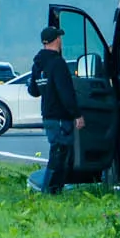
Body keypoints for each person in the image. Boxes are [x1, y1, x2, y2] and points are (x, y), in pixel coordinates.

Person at [26, 24, 84, 196]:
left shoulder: (38, 64)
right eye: (60, 38)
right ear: (57, 40)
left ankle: (52, 190)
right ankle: (51, 191)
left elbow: (33, 90)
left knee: (56, 151)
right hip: (60, 117)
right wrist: (77, 114)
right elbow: (65, 92)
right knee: (60, 154)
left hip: (48, 115)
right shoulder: (58, 63)